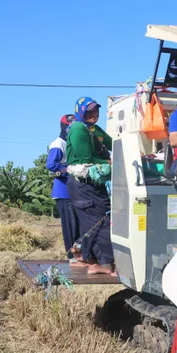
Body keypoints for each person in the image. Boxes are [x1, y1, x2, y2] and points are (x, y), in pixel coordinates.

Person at [66, 97, 115, 275]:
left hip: (92, 185)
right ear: (80, 112)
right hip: (83, 184)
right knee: (98, 221)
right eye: (89, 111)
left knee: (97, 219)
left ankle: (85, 254)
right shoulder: (78, 129)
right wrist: (109, 161)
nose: (94, 114)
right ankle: (98, 263)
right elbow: (86, 160)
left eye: (96, 110)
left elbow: (113, 143)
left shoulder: (93, 129)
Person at [46, 114, 79, 262]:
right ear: (64, 128)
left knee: (78, 222)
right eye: (69, 128)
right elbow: (51, 165)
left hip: (75, 190)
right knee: (70, 223)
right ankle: (71, 255)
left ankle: (79, 252)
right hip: (63, 191)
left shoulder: (73, 143)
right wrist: (69, 168)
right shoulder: (58, 144)